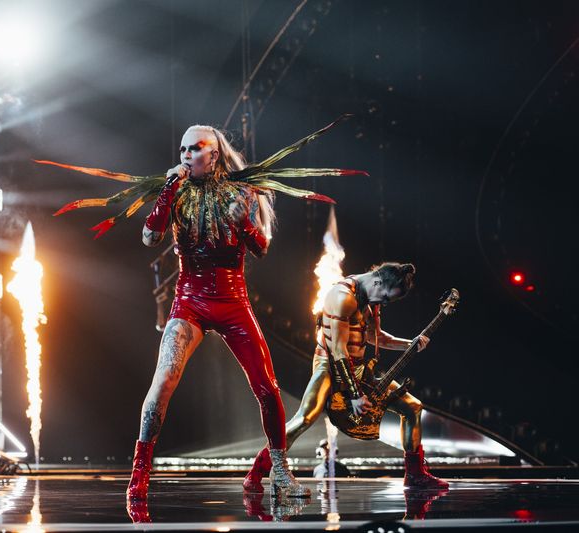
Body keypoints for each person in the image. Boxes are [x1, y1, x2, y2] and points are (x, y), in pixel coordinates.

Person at [126, 125, 310, 501]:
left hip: (232, 300)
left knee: (267, 386)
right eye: (182, 149)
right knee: (164, 380)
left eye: (195, 148)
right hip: (189, 300)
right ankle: (139, 473)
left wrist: (242, 221)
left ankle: (279, 470)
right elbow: (149, 237)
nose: (186, 155)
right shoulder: (176, 191)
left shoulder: (241, 192)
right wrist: (168, 190)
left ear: (215, 155)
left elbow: (261, 248)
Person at [243, 262, 449, 491]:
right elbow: (339, 351)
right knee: (305, 417)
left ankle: (415, 476)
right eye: (385, 297)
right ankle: (256, 473)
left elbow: (375, 336)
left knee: (413, 407)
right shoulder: (342, 297)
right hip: (329, 365)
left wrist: (410, 344)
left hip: (358, 367)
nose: (383, 303)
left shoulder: (370, 299)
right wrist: (356, 395)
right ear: (377, 282)